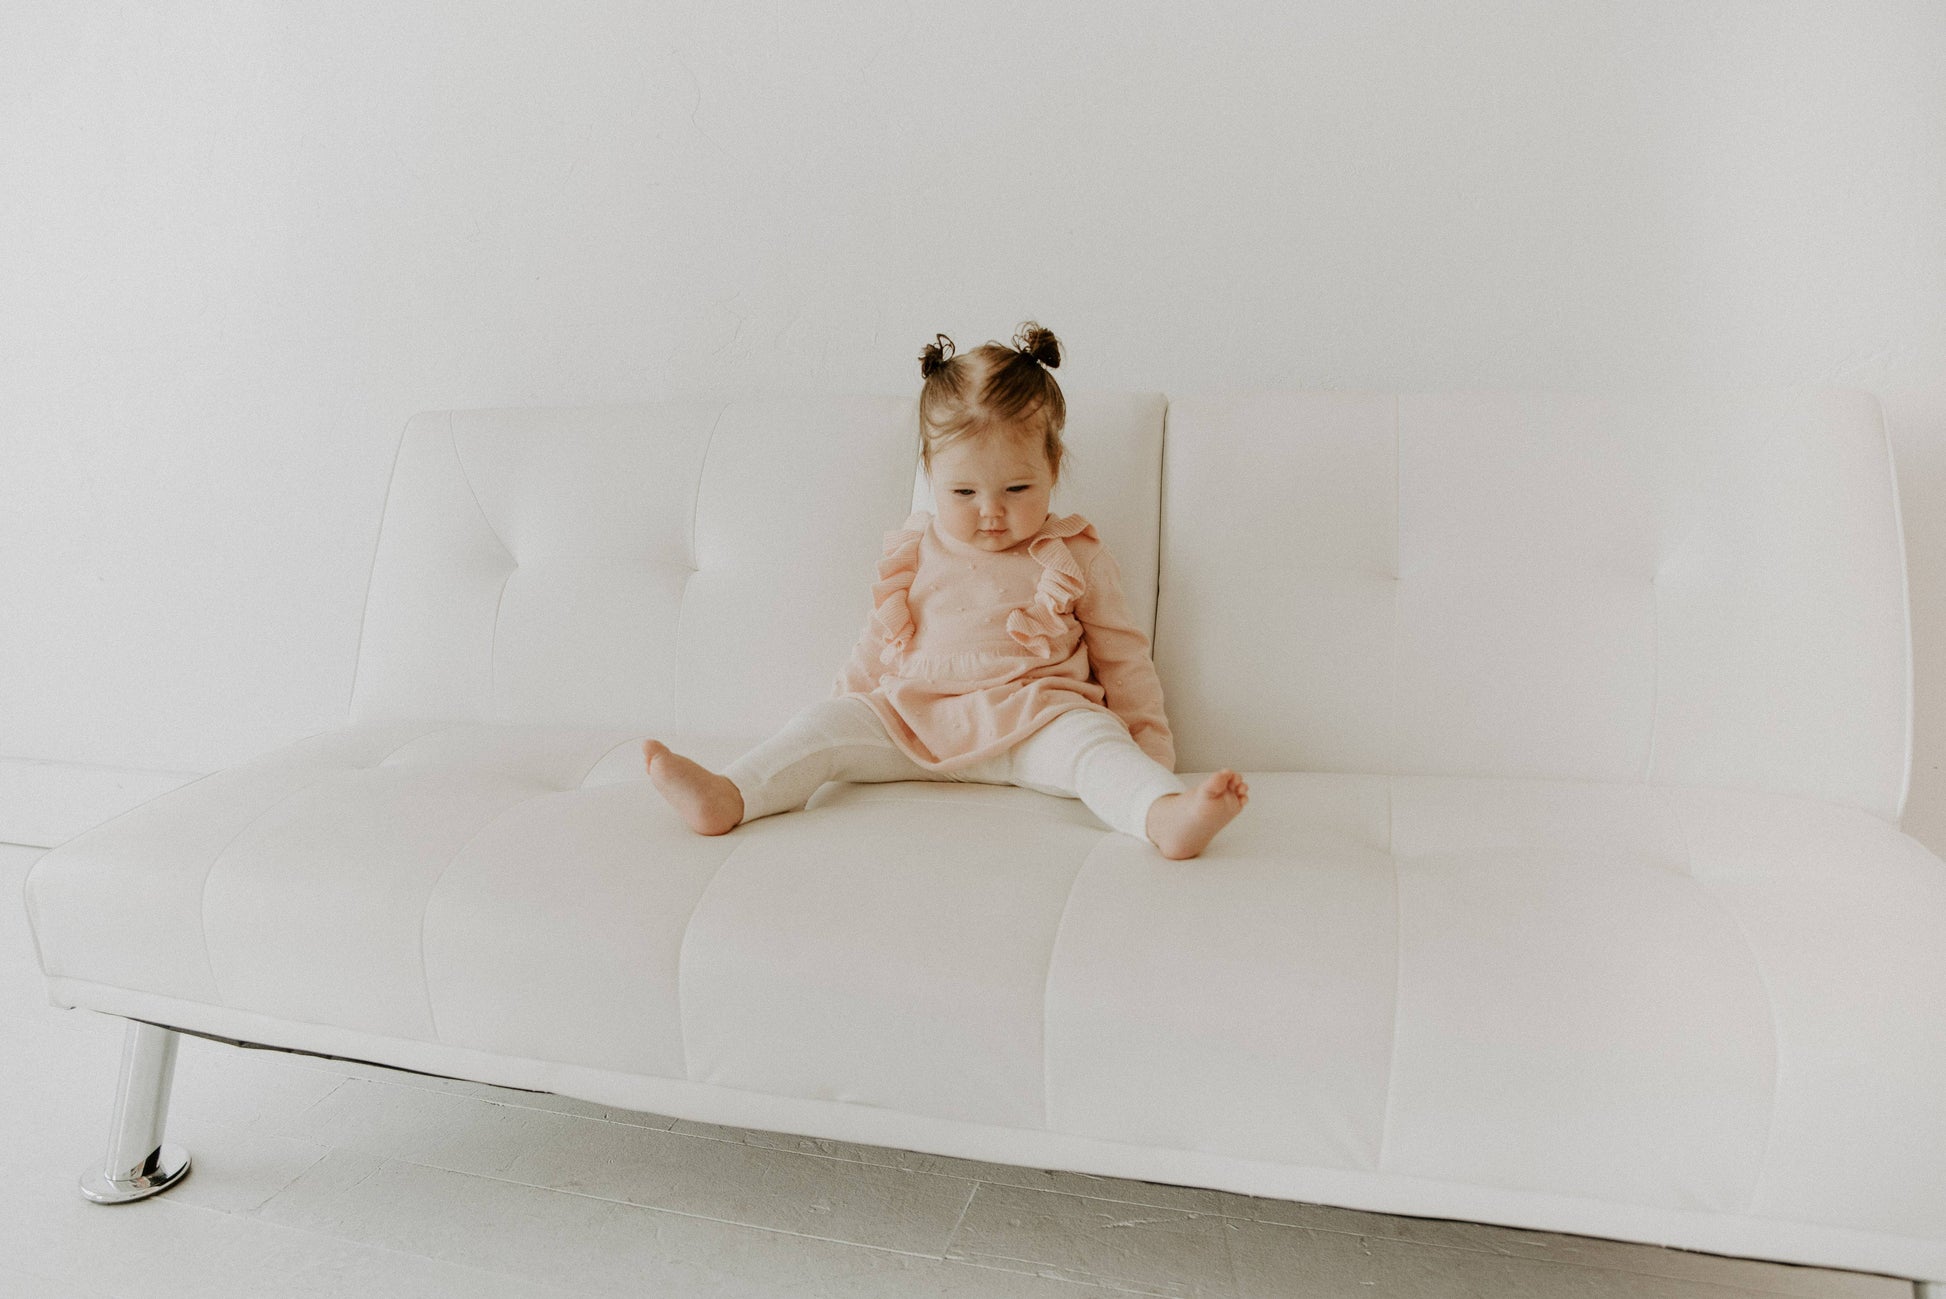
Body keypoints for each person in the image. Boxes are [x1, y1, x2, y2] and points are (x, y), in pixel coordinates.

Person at [643, 322, 1248, 859]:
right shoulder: (913, 550)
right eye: (964, 494)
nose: (991, 513)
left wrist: (1151, 755)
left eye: (1017, 490)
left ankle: (1165, 814)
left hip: (1037, 719)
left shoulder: (1074, 556)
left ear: (1053, 469)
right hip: (913, 721)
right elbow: (875, 646)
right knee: (817, 732)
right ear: (931, 475)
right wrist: (842, 710)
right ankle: (729, 795)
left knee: (1097, 749)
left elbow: (1124, 660)